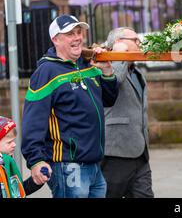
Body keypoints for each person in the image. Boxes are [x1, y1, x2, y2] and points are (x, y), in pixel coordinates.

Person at [21, 15, 119, 198]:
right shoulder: (46, 72)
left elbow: (109, 100)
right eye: (69, 34)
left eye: (79, 32)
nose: (77, 37)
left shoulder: (88, 65)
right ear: (55, 39)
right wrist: (35, 160)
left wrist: (107, 71)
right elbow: (33, 121)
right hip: (68, 165)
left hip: (95, 165)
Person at [100, 27, 154, 198]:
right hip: (116, 154)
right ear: (118, 43)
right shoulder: (103, 64)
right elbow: (113, 81)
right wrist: (118, 55)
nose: (139, 44)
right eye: (135, 40)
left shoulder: (137, 72)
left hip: (140, 153)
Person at [0, 117, 45, 198]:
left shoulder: (7, 162)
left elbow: (17, 191)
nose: (14, 144)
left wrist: (35, 182)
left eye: (13, 141)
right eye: (9, 142)